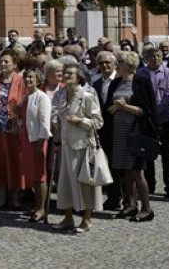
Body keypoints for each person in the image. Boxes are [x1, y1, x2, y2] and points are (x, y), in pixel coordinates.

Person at [52, 65, 104, 233]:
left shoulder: (87, 96)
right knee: (65, 183)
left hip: (83, 145)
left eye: (70, 73)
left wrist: (80, 121)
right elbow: (58, 118)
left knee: (84, 182)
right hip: (66, 145)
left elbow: (98, 122)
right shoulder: (61, 95)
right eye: (65, 73)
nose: (66, 75)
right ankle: (68, 218)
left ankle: (86, 219)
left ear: (79, 78)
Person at [109, 51, 158, 222]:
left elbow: (147, 110)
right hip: (118, 132)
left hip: (136, 131)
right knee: (124, 170)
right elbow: (108, 109)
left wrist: (125, 107)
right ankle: (130, 204)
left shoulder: (141, 82)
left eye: (120, 61)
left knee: (137, 171)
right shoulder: (116, 83)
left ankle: (146, 207)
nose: (117, 63)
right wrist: (116, 107)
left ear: (129, 65)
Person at [0, 49, 26, 210]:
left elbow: (23, 104)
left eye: (6, 61)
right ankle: (1, 197)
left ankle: (15, 197)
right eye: (1, 61)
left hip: (13, 129)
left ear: (14, 65)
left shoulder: (20, 81)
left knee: (15, 162)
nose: (3, 64)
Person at [140, 46, 169, 200]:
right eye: (153, 56)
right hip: (147, 119)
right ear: (147, 58)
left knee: (167, 154)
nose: (156, 58)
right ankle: (150, 184)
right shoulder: (141, 73)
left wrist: (157, 113)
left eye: (158, 56)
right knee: (149, 154)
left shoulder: (168, 72)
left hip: (165, 119)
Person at [90, 50, 122, 210]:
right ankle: (113, 197)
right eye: (101, 63)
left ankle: (122, 197)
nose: (104, 66)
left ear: (115, 64)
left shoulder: (120, 80)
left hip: (119, 127)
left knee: (119, 165)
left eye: (107, 62)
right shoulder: (96, 82)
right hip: (103, 129)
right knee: (107, 163)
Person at [20, 67, 51, 222]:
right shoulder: (26, 97)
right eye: (26, 77)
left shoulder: (42, 97)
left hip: (38, 140)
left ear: (38, 80)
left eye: (31, 77)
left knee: (40, 176)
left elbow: (45, 124)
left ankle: (41, 208)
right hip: (27, 138)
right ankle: (36, 204)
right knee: (32, 175)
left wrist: (41, 144)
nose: (28, 80)